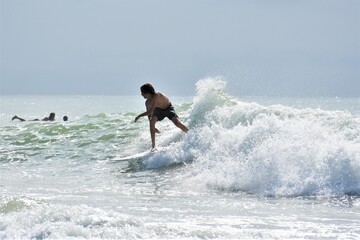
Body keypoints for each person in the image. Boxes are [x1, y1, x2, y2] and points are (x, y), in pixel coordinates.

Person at [135, 83, 189, 149]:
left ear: (148, 92)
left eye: (142, 92)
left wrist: (139, 116)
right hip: (158, 110)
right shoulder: (147, 102)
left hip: (168, 108)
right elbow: (149, 115)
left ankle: (189, 133)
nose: (141, 94)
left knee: (177, 122)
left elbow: (150, 111)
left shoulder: (156, 95)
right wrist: (152, 126)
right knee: (152, 121)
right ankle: (153, 146)